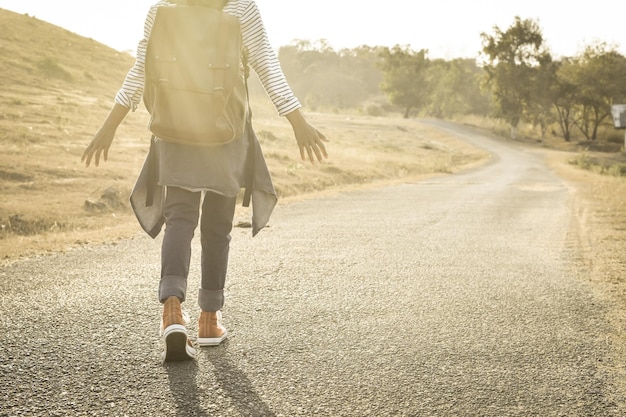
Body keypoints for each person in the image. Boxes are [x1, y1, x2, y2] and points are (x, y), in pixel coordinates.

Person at [82, 0, 328, 362]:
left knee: (179, 217)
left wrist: (109, 126)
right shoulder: (242, 8)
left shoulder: (161, 10)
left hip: (174, 128)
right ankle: (209, 321)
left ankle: (171, 313)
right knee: (217, 225)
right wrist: (297, 121)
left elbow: (140, 72)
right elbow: (266, 65)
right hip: (226, 132)